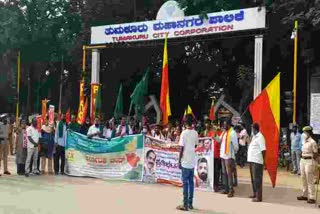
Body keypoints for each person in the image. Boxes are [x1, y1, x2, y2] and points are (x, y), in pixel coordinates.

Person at [177, 114, 198, 211]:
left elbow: (181, 148)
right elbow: (195, 145)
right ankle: (190, 203)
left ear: (185, 123)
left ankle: (185, 204)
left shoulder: (184, 133)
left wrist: (179, 160)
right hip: (192, 161)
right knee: (191, 183)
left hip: (185, 161)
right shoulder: (195, 133)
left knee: (185, 183)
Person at [215, 119, 239, 197]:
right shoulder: (224, 132)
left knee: (229, 173)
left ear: (229, 125)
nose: (224, 126)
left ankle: (231, 190)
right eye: (224, 125)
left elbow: (236, 146)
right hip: (222, 155)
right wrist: (215, 135)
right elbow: (219, 140)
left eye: (225, 125)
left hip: (229, 156)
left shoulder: (233, 133)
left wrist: (232, 154)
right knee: (224, 173)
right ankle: (226, 189)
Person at [297, 126, 318, 204]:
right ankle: (304, 195)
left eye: (305, 132)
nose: (304, 134)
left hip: (309, 161)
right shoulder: (304, 141)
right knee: (303, 178)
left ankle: (312, 197)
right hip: (303, 160)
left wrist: (315, 163)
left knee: (310, 179)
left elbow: (316, 154)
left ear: (309, 133)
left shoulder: (312, 142)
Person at [248, 123, 266, 202]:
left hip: (257, 161)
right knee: (253, 179)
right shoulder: (254, 137)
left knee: (257, 179)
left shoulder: (260, 137)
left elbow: (263, 150)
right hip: (252, 160)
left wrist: (262, 161)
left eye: (252, 128)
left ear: (255, 129)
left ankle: (259, 197)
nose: (251, 130)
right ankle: (255, 193)